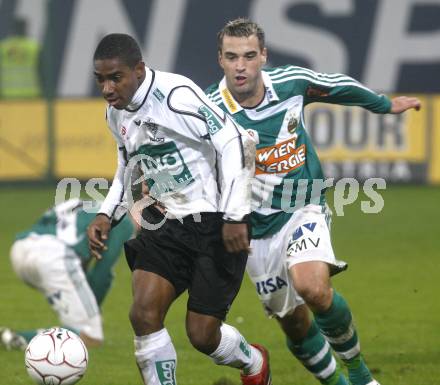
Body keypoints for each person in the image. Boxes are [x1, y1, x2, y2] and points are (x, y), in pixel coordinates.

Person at [205, 18, 421, 385]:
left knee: (313, 287)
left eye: (249, 56)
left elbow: (337, 86)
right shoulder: (208, 109)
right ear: (220, 60)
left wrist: (384, 105)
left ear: (263, 56)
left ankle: (360, 375)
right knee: (294, 321)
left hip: (302, 203)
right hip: (254, 231)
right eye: (232, 57)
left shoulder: (289, 83)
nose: (241, 66)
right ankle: (335, 382)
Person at [87, 33, 271, 385]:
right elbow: (128, 166)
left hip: (215, 224)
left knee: (202, 335)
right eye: (100, 80)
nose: (108, 89)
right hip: (166, 224)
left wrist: (235, 215)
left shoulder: (175, 95)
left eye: (115, 78)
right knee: (143, 314)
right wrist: (105, 215)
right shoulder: (115, 113)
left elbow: (234, 141)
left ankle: (253, 361)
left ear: (138, 70)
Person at [0, 198, 135, 350]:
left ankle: (16, 339)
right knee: (90, 336)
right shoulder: (123, 220)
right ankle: (17, 338)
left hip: (21, 250)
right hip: (55, 257)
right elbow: (102, 273)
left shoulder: (90, 203)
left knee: (82, 330)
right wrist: (91, 309)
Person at [0, 17, 42, 99]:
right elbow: (43, 72)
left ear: (12, 30)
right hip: (31, 95)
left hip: (7, 95)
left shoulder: (3, 47)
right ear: (25, 29)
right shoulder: (34, 47)